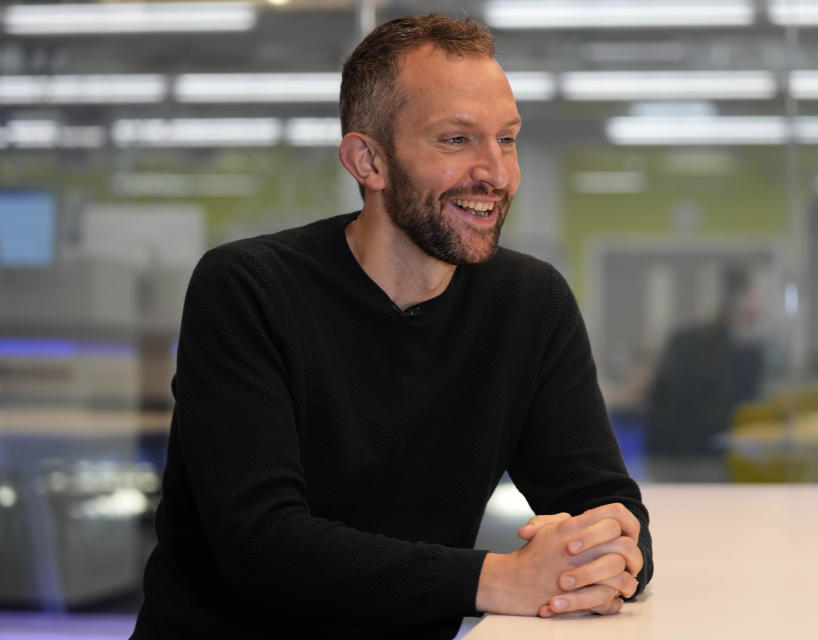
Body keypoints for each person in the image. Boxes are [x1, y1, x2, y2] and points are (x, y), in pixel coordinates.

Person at [131, 15, 652, 640]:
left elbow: (608, 506)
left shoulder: (529, 302)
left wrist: (607, 552)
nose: (496, 173)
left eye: (507, 139)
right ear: (368, 160)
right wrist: (496, 578)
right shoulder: (247, 288)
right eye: (457, 140)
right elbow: (261, 541)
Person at [645, 267, 765, 457]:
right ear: (738, 301)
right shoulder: (743, 353)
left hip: (671, 453)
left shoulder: (681, 340)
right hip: (705, 457)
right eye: (755, 297)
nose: (759, 306)